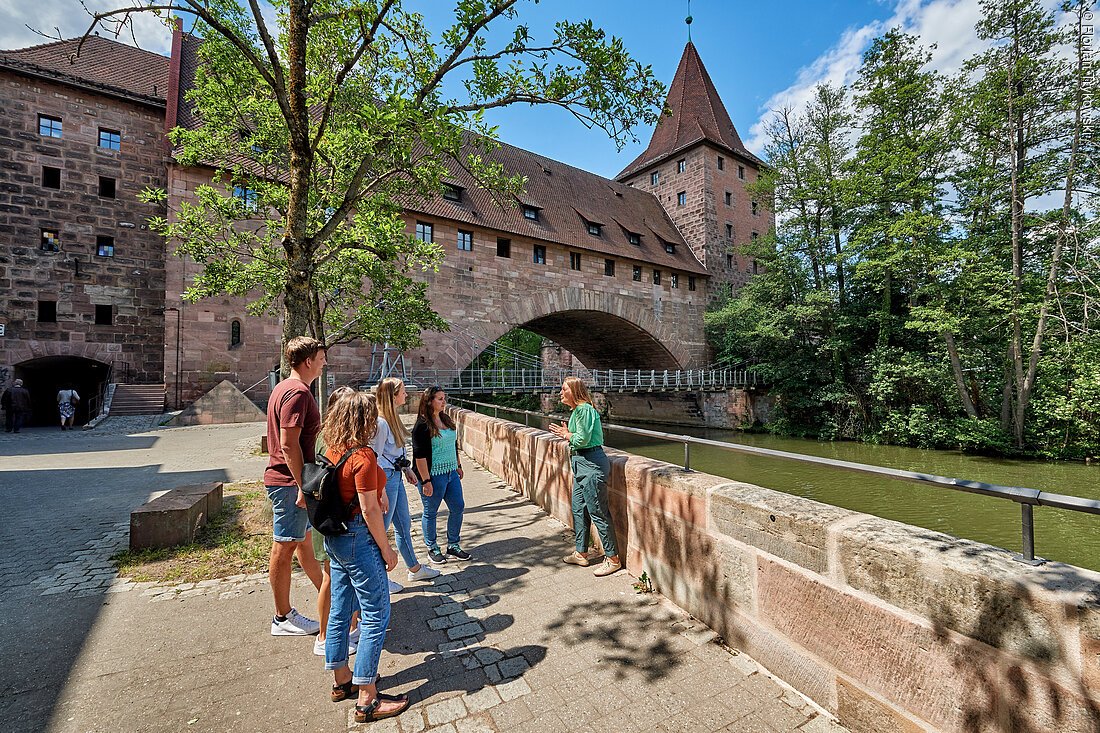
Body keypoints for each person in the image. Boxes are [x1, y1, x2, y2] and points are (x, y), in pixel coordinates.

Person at [321, 390, 410, 723]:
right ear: (365, 420)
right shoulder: (363, 457)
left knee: (341, 609)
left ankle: (341, 679)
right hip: (358, 538)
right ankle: (368, 698)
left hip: (336, 540)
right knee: (376, 613)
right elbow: (370, 510)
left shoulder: (333, 450)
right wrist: (387, 550)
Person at [263, 336, 325, 636]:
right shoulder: (298, 393)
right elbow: (289, 445)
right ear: (309, 361)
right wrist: (303, 484)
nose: (325, 363)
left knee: (303, 545)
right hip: (289, 482)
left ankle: (334, 601)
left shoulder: (282, 388)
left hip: (289, 480)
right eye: (322, 358)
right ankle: (282, 617)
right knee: (284, 547)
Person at [548, 377, 622, 577]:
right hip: (581, 465)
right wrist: (567, 433)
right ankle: (581, 553)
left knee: (598, 511)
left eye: (564, 389)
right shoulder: (577, 412)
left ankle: (613, 558)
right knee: (579, 509)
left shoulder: (585, 410)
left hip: (591, 464)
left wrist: (566, 434)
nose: (561, 393)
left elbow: (582, 439)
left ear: (574, 391)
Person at [374, 377, 440, 592]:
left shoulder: (393, 419)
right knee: (381, 530)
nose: (406, 394)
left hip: (395, 477)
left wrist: (406, 468)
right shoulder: (381, 423)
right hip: (386, 480)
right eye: (402, 391)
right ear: (393, 396)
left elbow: (393, 453)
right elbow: (374, 457)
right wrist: (380, 489)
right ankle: (379, 580)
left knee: (403, 525)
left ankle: (414, 568)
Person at [313, 386, 360, 658]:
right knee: (333, 579)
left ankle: (346, 629)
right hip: (333, 519)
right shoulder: (335, 441)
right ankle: (324, 635)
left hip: (327, 516)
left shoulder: (326, 436)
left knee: (338, 579)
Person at [411, 386, 470, 564]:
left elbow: (454, 444)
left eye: (444, 398)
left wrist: (458, 465)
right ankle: (432, 547)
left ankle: (453, 544)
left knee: (458, 506)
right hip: (433, 475)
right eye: (440, 399)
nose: (444, 402)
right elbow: (419, 457)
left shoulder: (446, 418)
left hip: (451, 472)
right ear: (429, 401)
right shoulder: (422, 425)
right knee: (430, 512)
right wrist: (425, 480)